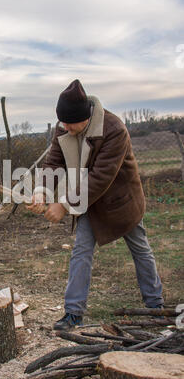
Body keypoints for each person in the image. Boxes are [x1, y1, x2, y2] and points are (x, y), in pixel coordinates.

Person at [27, 79, 164, 330]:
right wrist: (41, 193)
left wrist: (64, 206)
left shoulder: (114, 130)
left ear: (86, 117)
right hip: (87, 202)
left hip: (120, 200)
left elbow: (101, 178)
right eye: (62, 122)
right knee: (81, 250)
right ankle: (73, 313)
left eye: (70, 122)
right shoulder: (65, 128)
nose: (65, 127)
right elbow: (53, 162)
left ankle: (155, 305)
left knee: (140, 249)